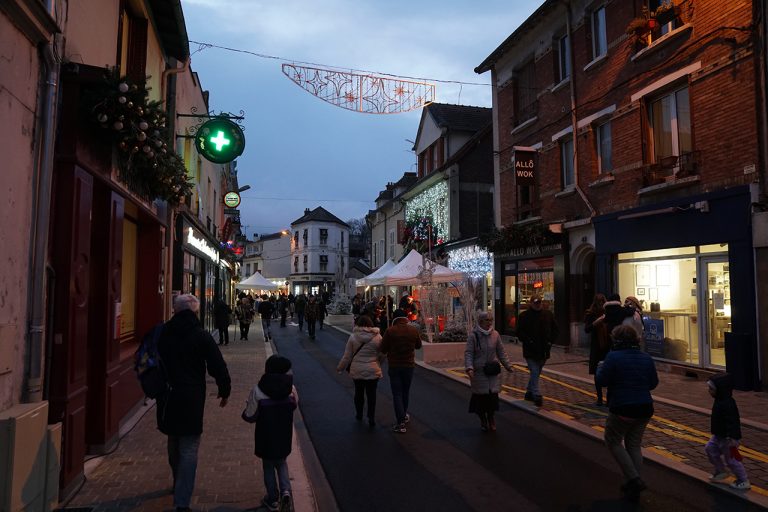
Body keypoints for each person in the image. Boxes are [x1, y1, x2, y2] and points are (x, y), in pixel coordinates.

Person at [156, 294, 231, 512]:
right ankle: (182, 501)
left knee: (173, 437)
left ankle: (177, 482)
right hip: (191, 396)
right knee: (189, 446)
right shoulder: (200, 335)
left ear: (175, 310)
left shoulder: (163, 332)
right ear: (196, 312)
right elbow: (217, 364)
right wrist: (224, 389)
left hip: (167, 394)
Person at [596, 325, 658, 502]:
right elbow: (653, 383)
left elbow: (602, 381)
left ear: (616, 340)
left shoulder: (613, 357)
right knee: (634, 445)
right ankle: (633, 483)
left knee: (613, 440)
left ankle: (634, 479)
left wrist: (600, 367)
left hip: (623, 407)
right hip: (645, 407)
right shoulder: (646, 357)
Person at [242, 355, 298, 512]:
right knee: (282, 462)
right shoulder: (291, 389)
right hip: (284, 434)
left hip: (265, 436)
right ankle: (286, 492)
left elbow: (250, 416)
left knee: (268, 466)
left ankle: (272, 499)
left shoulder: (258, 390)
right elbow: (294, 406)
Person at [464, 311, 513, 432]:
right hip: (478, 373)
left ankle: (491, 418)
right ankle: (483, 419)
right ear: (480, 321)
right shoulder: (473, 336)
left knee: (492, 399)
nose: (489, 322)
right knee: (480, 400)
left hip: (491, 372)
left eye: (491, 320)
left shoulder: (495, 335)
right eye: (487, 320)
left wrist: (508, 365)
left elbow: (501, 351)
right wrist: (469, 368)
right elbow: (469, 353)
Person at [336, 315, 385, 427]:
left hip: (357, 369)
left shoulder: (353, 337)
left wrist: (340, 368)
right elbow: (383, 354)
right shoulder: (378, 337)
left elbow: (347, 356)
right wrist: (378, 363)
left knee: (359, 392)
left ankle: (359, 414)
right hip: (373, 369)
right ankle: (371, 417)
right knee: (372, 394)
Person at [705, 373, 750, 490]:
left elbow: (733, 421)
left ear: (720, 390)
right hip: (718, 435)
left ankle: (743, 480)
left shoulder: (728, 403)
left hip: (728, 438)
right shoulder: (719, 400)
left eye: (711, 389)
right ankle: (721, 471)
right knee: (710, 449)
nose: (709, 391)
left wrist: (733, 437)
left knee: (731, 460)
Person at [380, 308, 422, 433]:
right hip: (409, 366)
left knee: (397, 393)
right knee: (405, 392)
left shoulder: (390, 331)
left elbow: (383, 348)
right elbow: (418, 346)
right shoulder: (413, 330)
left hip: (394, 365)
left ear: (395, 318)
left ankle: (400, 422)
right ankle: (403, 415)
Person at [516, 294, 559, 407]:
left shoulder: (548, 314)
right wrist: (528, 340)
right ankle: (536, 394)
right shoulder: (524, 316)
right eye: (535, 302)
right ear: (531, 303)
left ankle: (529, 392)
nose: (537, 304)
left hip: (544, 349)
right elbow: (519, 332)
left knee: (537, 371)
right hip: (530, 349)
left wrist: (550, 341)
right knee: (535, 371)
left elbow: (555, 329)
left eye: (539, 302)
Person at [584, 293, 609, 405]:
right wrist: (595, 323)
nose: (601, 304)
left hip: (607, 346)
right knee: (597, 373)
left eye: (602, 301)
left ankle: (608, 398)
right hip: (597, 346)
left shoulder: (608, 313)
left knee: (609, 371)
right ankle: (599, 398)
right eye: (599, 302)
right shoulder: (591, 314)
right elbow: (587, 329)